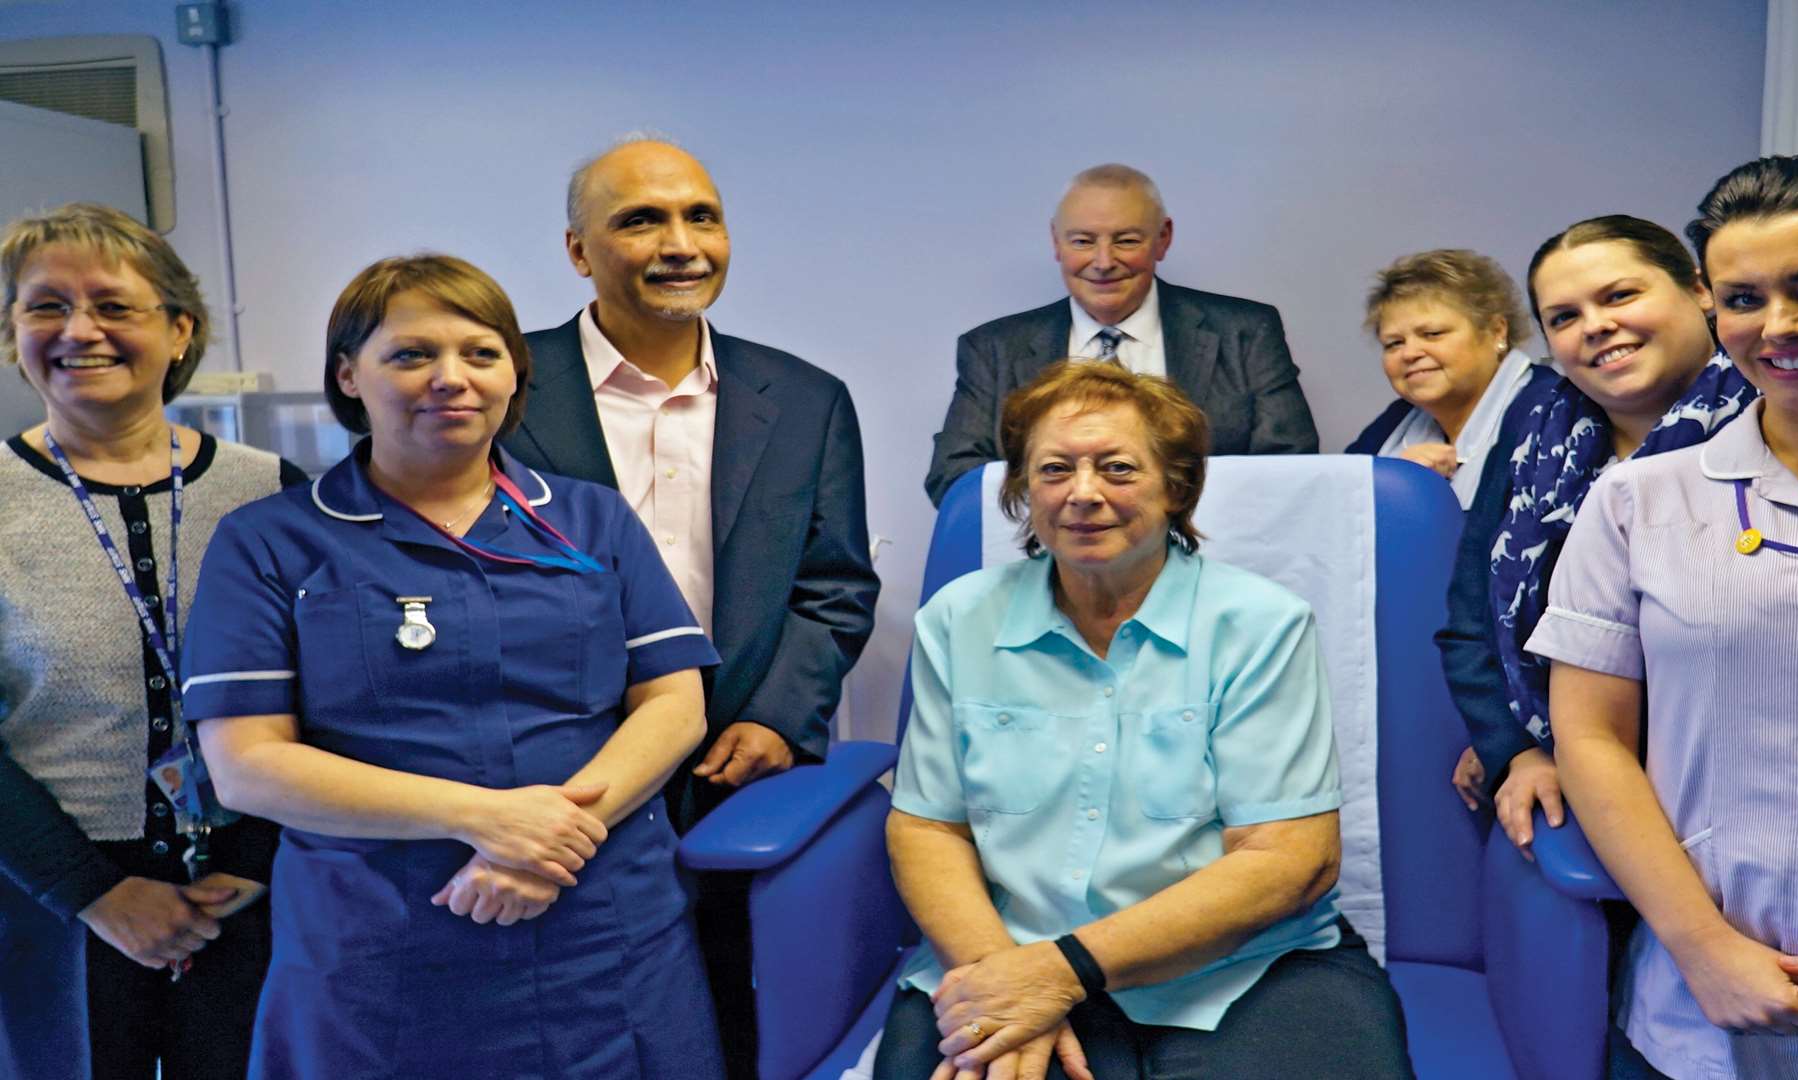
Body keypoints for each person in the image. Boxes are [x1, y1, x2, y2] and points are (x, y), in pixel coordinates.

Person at [179, 254, 725, 1079]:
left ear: (514, 372)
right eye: (409, 355)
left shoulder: (591, 518)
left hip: (600, 927)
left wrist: (546, 841)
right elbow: (247, 766)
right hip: (381, 939)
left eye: (480, 352)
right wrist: (485, 818)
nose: (452, 378)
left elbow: (674, 703)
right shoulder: (270, 541)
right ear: (348, 377)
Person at [878, 360, 1412, 1079]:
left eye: (1119, 469)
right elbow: (928, 826)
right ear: (1022, 491)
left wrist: (1063, 972)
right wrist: (1008, 981)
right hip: (1005, 949)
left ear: (1177, 488)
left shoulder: (1259, 624)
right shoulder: (960, 618)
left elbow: (1289, 858)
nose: (1084, 494)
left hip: (1243, 968)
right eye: (1055, 469)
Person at [1533, 149, 1798, 1079]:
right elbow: (1589, 738)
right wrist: (1701, 946)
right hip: (1702, 1019)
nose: (1781, 326)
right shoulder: (1637, 502)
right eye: (1743, 298)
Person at [497, 135, 878, 1076]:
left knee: (724, 1020)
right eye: (641, 220)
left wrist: (780, 719)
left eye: (701, 216)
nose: (681, 243)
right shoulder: (504, 386)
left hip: (728, 768)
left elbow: (834, 586)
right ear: (579, 251)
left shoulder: (805, 397)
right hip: (552, 773)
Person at [0, 203, 301, 1079]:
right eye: (45, 306)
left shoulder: (274, 492)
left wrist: (253, 863)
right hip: (52, 899)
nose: (79, 330)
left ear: (180, 330)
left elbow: (331, 696)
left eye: (113, 305)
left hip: (251, 886)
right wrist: (92, 893)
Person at [1436, 216, 1754, 833]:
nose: (1596, 325)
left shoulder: (1784, 412)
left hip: (1742, 788)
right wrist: (1516, 751)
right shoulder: (1533, 434)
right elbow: (1469, 625)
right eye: (1564, 317)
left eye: (1620, 296)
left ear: (1698, 290)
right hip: (1569, 791)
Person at [924, 163, 1318, 506]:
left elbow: (1290, 467)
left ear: (1163, 238)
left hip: (1214, 563)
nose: (1103, 262)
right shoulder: (994, 348)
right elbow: (954, 478)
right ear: (1056, 242)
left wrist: (1159, 512)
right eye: (1083, 241)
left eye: (1126, 240)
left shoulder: (1246, 332)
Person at [1348, 248, 1545, 506]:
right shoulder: (1391, 424)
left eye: (1432, 333)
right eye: (1393, 343)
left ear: (1497, 332)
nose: (1409, 353)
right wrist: (1392, 482)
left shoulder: (1551, 413)